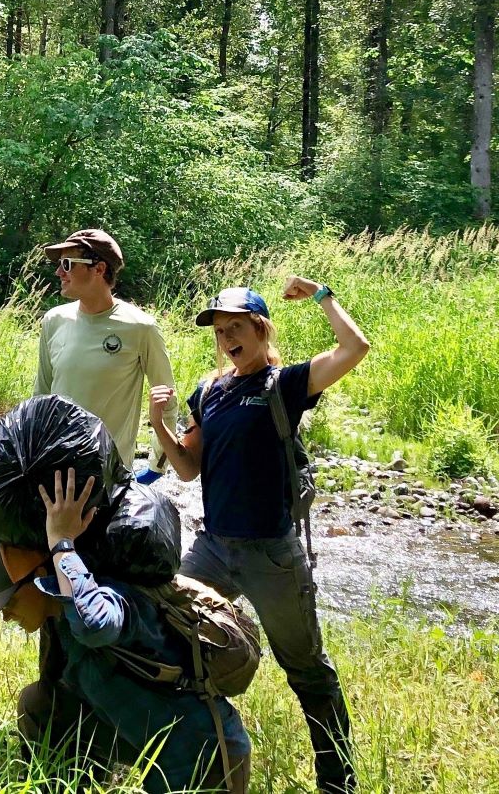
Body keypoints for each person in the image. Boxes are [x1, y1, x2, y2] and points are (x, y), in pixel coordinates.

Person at [148, 279, 369, 793]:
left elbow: (354, 348)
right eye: (221, 331)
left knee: (307, 669)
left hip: (271, 553)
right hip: (213, 549)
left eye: (236, 328)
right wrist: (160, 424)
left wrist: (321, 296)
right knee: (168, 640)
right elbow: (185, 468)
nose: (227, 338)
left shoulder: (284, 384)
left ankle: (338, 782)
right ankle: (190, 761)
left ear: (260, 329)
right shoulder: (209, 392)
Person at [0, 469, 250, 793]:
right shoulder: (59, 617)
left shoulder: (111, 596)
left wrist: (61, 543)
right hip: (150, 751)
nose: (6, 617)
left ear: (39, 577)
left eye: (9, 602)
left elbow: (96, 624)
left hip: (206, 764)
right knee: (38, 704)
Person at [34, 229, 177, 483]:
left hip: (108, 476)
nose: (59, 272)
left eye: (67, 264)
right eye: (59, 265)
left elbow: (166, 400)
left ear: (98, 269)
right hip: (54, 471)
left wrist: (157, 465)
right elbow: (41, 396)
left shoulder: (141, 328)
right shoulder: (53, 321)